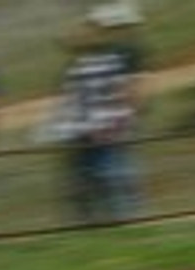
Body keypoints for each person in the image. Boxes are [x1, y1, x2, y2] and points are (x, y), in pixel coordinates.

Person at [52, 4, 145, 224]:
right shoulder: (106, 53)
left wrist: (128, 115)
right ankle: (116, 218)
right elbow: (63, 40)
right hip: (95, 124)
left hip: (107, 124)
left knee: (113, 173)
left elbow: (130, 87)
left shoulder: (123, 53)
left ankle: (123, 218)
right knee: (107, 173)